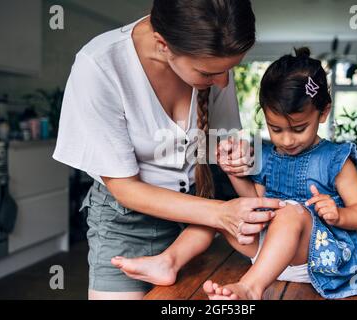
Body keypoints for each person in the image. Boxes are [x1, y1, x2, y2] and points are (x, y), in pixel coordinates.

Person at [53, 0, 284, 300]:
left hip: (197, 220)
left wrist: (235, 155)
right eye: (208, 74)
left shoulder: (214, 64)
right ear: (163, 44)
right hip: (127, 221)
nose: (223, 82)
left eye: (228, 70)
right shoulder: (99, 66)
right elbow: (125, 188)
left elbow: (220, 143)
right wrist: (219, 213)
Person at [112, 47, 357, 300]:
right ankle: (168, 262)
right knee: (214, 212)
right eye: (276, 129)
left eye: (299, 129)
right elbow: (255, 199)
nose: (287, 139)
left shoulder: (335, 159)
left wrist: (339, 215)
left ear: (324, 113)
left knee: (292, 214)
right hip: (266, 252)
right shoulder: (269, 153)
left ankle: (250, 287)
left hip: (314, 256)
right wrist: (234, 173)